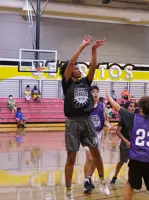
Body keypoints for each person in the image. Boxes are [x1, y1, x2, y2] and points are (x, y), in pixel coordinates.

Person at [60, 35, 108, 199]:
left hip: (87, 121)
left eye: (80, 67)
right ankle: (68, 190)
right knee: (71, 158)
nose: (79, 68)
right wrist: (82, 46)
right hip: (72, 122)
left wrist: (94, 50)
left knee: (96, 153)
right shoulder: (67, 83)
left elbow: (93, 67)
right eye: (76, 67)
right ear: (70, 70)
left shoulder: (85, 82)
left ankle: (102, 180)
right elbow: (72, 62)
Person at [82, 85, 111, 194]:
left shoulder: (102, 105)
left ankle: (89, 177)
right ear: (90, 94)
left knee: (95, 158)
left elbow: (104, 120)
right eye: (93, 92)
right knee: (89, 157)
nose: (95, 93)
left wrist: (109, 125)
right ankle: (86, 181)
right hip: (86, 135)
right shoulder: (85, 106)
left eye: (97, 92)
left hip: (98, 134)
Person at [110, 101, 135, 185]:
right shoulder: (123, 119)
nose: (133, 108)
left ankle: (131, 180)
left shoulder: (136, 118)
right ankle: (115, 176)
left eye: (133, 106)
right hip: (125, 144)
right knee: (121, 162)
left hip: (134, 145)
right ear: (126, 108)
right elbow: (118, 132)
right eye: (131, 106)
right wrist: (126, 141)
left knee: (133, 163)